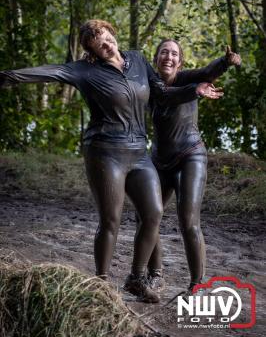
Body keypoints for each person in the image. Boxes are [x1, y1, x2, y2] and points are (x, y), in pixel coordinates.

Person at [0, 20, 222, 303]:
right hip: (105, 152)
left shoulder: (139, 60)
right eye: (98, 45)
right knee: (111, 220)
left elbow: (163, 95)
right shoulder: (86, 71)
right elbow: (50, 72)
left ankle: (136, 278)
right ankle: (101, 283)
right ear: (92, 52)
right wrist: (6, 76)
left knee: (153, 213)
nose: (106, 45)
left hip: (140, 153)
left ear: (113, 35)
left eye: (107, 38)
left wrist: (195, 90)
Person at [139, 40, 241, 293]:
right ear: (156, 59)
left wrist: (225, 62)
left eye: (174, 54)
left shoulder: (188, 78)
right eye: (164, 52)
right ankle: (156, 275)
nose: (169, 57)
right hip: (159, 160)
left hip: (190, 156)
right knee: (149, 218)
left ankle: (197, 284)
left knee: (188, 221)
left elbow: (208, 73)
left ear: (180, 62)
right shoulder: (149, 86)